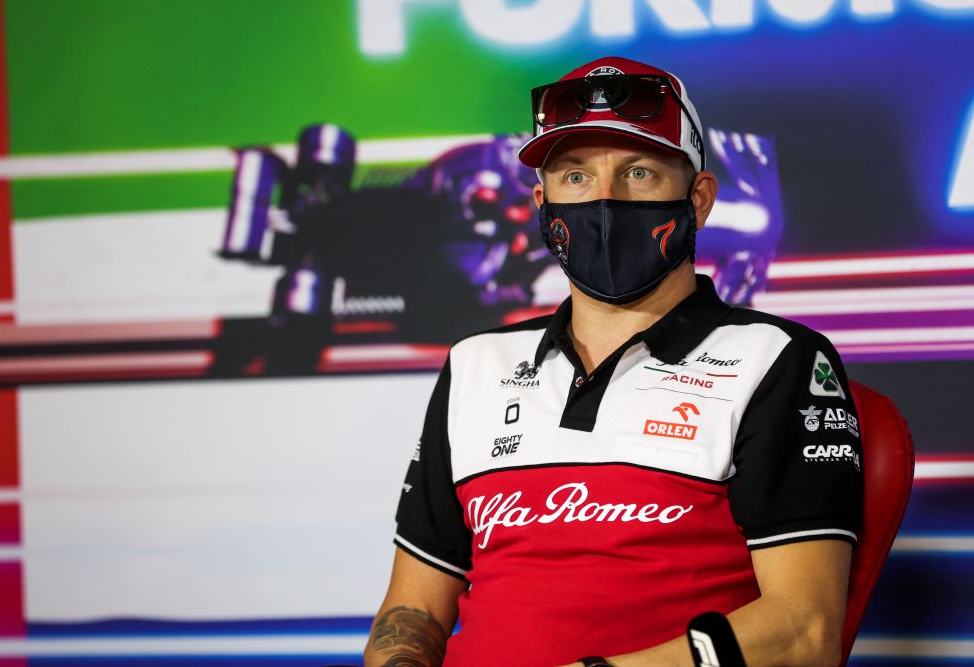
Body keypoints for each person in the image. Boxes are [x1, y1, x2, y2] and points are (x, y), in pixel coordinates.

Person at [364, 56, 862, 667]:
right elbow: (412, 608)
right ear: (543, 203)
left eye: (640, 172)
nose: (604, 200)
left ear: (698, 200)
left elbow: (805, 634)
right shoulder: (476, 363)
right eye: (575, 177)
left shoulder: (776, 360)